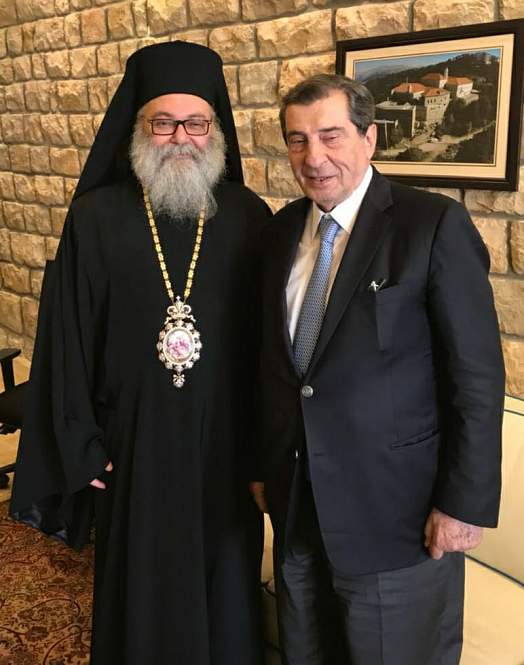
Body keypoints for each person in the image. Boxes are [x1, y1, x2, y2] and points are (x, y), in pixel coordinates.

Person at [11, 41, 271, 665]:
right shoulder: (95, 218)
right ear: (138, 127)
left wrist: (265, 448)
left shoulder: (249, 216)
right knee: (140, 591)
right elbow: (67, 338)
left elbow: (268, 348)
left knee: (225, 590)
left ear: (216, 129)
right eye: (164, 122)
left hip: (225, 447)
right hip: (132, 445)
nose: (181, 137)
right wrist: (79, 441)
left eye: (196, 123)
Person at [250, 74, 505, 665]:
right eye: (297, 140)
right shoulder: (278, 233)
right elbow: (273, 368)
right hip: (298, 510)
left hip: (398, 519)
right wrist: (262, 466)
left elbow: (475, 378)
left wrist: (463, 505)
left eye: (331, 136)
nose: (314, 158)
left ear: (369, 139)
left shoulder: (432, 225)